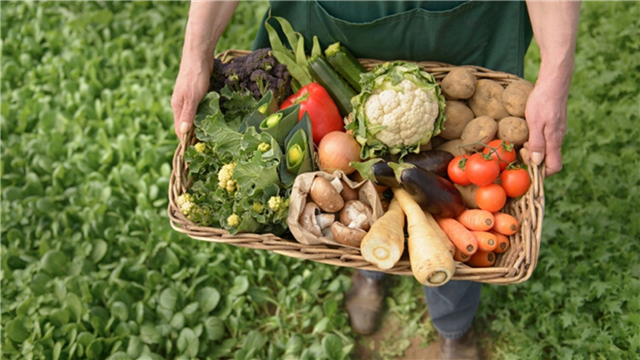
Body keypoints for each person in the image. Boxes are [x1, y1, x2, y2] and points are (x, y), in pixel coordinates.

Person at [172, 1, 581, 358]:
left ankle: (452, 323)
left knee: (454, 217)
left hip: (462, 28)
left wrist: (557, 73)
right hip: (333, 22)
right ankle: (370, 266)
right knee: (368, 199)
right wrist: (196, 53)